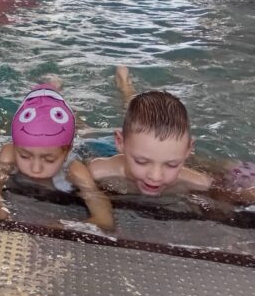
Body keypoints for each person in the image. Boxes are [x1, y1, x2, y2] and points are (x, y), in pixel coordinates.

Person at [88, 66, 254, 204]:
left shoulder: (198, 182)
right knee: (88, 131)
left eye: (172, 165)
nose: (156, 176)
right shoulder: (98, 171)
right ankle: (125, 87)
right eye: (141, 162)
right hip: (106, 148)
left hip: (147, 147)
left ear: (188, 150)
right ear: (120, 142)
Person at [0, 84, 114, 231]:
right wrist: (1, 215)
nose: (36, 168)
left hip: (76, 145)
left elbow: (105, 220)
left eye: (49, 160)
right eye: (25, 156)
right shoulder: (9, 154)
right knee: (3, 129)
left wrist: (64, 226)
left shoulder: (74, 170)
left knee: (84, 132)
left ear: (66, 153)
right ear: (15, 147)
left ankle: (72, 111)